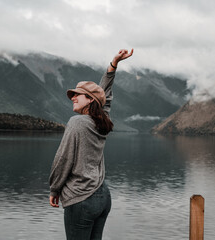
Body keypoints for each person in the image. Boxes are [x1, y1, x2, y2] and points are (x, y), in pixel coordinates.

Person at [49, 49, 134, 240]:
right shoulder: (102, 120)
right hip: (102, 196)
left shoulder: (76, 123)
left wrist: (55, 189)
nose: (73, 97)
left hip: (81, 198)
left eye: (78, 95)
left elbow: (63, 159)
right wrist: (113, 65)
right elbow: (105, 94)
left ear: (90, 100)